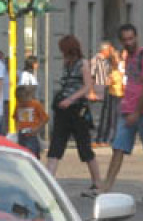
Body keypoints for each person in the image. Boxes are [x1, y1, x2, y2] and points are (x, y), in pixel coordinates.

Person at [99, 22, 143, 195]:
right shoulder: (127, 57)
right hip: (127, 110)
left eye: (131, 39)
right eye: (125, 40)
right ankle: (107, 185)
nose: (129, 42)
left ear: (137, 37)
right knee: (118, 148)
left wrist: (137, 113)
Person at [45, 34, 104, 194]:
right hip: (63, 110)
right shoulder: (67, 64)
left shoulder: (83, 64)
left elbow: (87, 86)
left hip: (77, 110)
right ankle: (48, 180)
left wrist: (70, 99)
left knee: (84, 147)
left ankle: (97, 182)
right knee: (56, 145)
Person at [92, 42, 122, 145]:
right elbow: (91, 76)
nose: (110, 52)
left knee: (103, 116)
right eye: (109, 50)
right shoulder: (96, 60)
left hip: (106, 90)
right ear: (104, 50)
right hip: (97, 88)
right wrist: (91, 91)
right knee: (96, 115)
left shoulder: (107, 62)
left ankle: (101, 138)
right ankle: (94, 139)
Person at [14, 84, 48, 158]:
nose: (22, 103)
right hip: (21, 133)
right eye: (19, 101)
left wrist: (37, 128)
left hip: (32, 134)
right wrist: (17, 130)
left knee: (32, 153)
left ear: (28, 96)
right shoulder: (18, 105)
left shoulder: (36, 104)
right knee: (22, 153)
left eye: (23, 101)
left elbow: (45, 118)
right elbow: (15, 118)